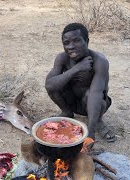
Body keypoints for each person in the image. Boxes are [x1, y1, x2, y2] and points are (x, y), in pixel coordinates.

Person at [45, 23, 116, 151]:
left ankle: (98, 121)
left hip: (94, 104)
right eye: (66, 43)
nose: (71, 46)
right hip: (72, 102)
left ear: (87, 41)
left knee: (92, 95)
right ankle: (67, 112)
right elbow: (49, 85)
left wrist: (90, 131)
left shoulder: (100, 61)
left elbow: (96, 93)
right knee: (57, 84)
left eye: (76, 41)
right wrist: (76, 70)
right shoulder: (62, 58)